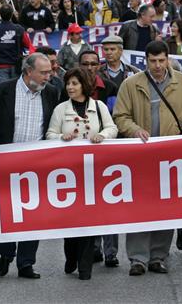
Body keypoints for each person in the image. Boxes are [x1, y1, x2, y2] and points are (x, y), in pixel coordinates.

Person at [113, 40, 182, 276]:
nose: (158, 65)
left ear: (168, 58)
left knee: (166, 207)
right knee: (140, 206)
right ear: (146, 60)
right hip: (141, 156)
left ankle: (158, 256)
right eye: (153, 61)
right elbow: (120, 116)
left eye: (162, 60)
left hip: (172, 156)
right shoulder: (131, 84)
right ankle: (138, 258)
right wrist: (134, 130)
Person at [0, 53, 59, 280]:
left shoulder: (51, 92)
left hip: (37, 165)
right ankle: (6, 254)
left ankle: (26, 262)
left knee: (33, 214)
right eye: (44, 72)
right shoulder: (2, 91)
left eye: (50, 71)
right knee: (7, 211)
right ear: (29, 71)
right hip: (5, 162)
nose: (49, 76)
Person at [46, 67, 118, 280]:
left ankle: (85, 267)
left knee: (91, 218)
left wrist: (103, 136)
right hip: (68, 173)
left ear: (84, 85)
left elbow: (112, 128)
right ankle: (71, 256)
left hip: (94, 172)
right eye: (68, 83)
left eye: (75, 83)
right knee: (71, 220)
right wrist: (61, 137)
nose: (70, 87)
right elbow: (49, 134)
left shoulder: (99, 106)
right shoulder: (61, 109)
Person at [0, 4, 34, 84]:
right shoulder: (19, 29)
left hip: (0, 65)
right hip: (16, 65)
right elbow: (28, 45)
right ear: (11, 14)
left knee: (3, 91)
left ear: (0, 14)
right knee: (16, 90)